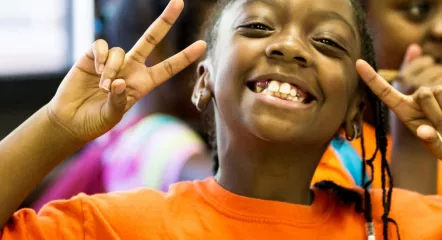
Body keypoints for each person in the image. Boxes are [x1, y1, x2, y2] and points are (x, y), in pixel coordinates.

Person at [2, 1, 442, 239]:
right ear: (204, 80)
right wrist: (57, 126)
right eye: (257, 27)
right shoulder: (115, 227)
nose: (289, 47)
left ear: (354, 112)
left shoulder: (396, 224)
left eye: (327, 41)